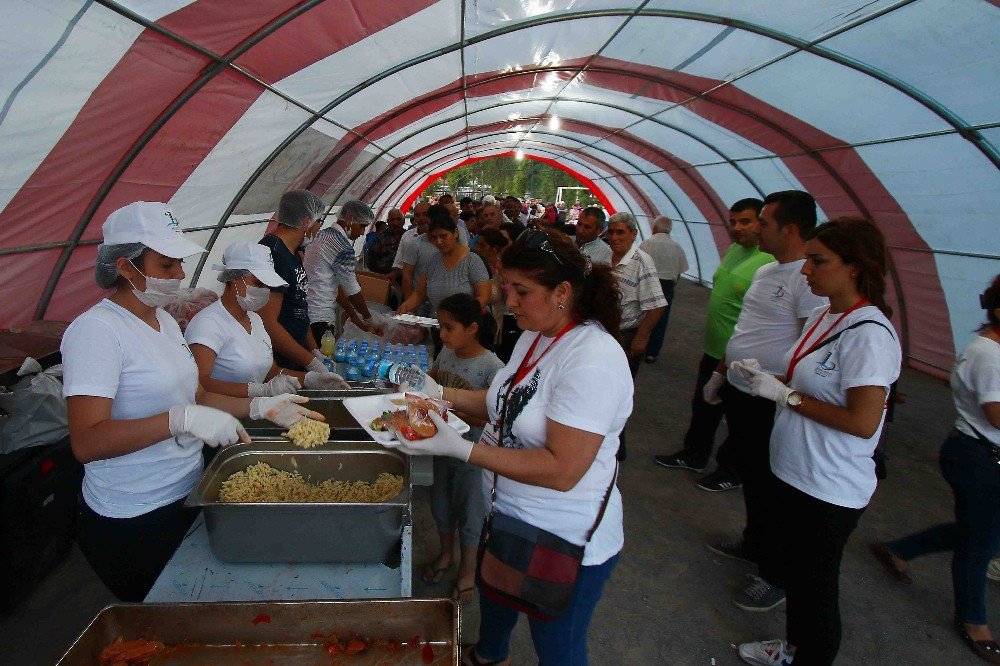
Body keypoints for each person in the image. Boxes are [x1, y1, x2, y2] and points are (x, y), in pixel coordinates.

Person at [388, 229, 630, 665]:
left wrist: (462, 450)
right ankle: (489, 654)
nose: (509, 302)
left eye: (521, 291)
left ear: (563, 292)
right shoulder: (534, 336)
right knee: (496, 604)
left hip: (560, 536)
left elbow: (563, 469)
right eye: (506, 288)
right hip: (506, 515)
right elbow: (503, 403)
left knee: (558, 646)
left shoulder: (592, 358)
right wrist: (438, 394)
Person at [64, 202, 321, 602]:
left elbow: (198, 393)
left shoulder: (163, 320)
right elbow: (87, 442)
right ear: (125, 267)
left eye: (179, 264)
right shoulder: (97, 331)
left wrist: (259, 407)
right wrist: (178, 419)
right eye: (167, 266)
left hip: (188, 488)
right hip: (136, 514)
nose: (180, 275)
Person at [735, 217, 901, 666]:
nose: (806, 270)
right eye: (807, 257)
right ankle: (792, 647)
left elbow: (864, 421)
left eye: (818, 260)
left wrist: (786, 395)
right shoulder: (827, 315)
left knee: (816, 586)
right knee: (798, 577)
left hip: (828, 486)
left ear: (854, 266)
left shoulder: (869, 334)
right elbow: (807, 378)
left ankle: (808, 656)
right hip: (796, 471)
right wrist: (766, 378)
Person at [706, 190, 827, 613]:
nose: (755, 228)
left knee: (776, 487)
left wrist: (782, 388)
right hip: (744, 391)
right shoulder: (767, 270)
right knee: (755, 478)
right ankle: (754, 545)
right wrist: (721, 371)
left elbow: (813, 347)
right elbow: (746, 328)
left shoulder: (808, 280)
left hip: (771, 399)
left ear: (790, 229)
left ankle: (777, 575)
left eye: (764, 222)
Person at [870, 274, 1000, 665]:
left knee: (977, 532)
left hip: (979, 454)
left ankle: (899, 549)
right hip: (978, 455)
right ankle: (974, 623)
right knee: (979, 543)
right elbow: (996, 414)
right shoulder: (989, 354)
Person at [654, 198, 772, 484]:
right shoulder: (733, 250)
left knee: (738, 418)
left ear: (762, 224)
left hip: (744, 358)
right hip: (714, 350)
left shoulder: (767, 261)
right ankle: (694, 455)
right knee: (704, 406)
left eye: (745, 221)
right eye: (732, 222)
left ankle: (732, 471)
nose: (736, 228)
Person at [185, 241, 349, 398]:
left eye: (267, 286)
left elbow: (270, 372)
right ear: (234, 278)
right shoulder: (208, 324)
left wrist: (309, 379)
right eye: (259, 283)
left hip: (259, 411)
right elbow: (200, 384)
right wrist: (256, 390)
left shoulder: (255, 320)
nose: (265, 291)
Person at [422, 294, 504, 603]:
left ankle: (468, 570)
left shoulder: (492, 368)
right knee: (441, 505)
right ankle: (446, 555)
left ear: (472, 328)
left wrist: (445, 409)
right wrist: (415, 383)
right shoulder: (447, 351)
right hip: (442, 449)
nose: (441, 335)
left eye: (448, 327)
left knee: (471, 515)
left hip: (474, 454)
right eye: (440, 327)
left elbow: (493, 416)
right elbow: (433, 378)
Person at [258, 190, 326, 372]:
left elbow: (299, 306)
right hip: (279, 362)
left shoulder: (293, 252)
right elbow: (268, 322)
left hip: (295, 354)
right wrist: (309, 361)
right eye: (319, 222)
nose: (318, 229)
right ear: (306, 221)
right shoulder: (273, 254)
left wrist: (313, 350)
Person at [303, 199, 378, 343]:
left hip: (306, 310)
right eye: (362, 226)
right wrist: (369, 319)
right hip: (320, 316)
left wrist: (354, 317)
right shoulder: (343, 248)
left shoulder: (321, 235)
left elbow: (334, 285)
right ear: (350, 218)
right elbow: (352, 291)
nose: (362, 233)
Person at [396, 206, 491, 317]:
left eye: (443, 236)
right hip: (438, 322)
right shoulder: (433, 262)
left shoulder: (472, 261)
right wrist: (406, 306)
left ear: (455, 233)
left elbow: (484, 296)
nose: (439, 241)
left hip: (467, 323)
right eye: (434, 237)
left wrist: (461, 314)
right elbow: (420, 293)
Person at [607, 212, 667, 377]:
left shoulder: (642, 261)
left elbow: (658, 305)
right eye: (611, 232)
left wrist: (641, 337)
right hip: (604, 332)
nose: (614, 237)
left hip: (625, 335)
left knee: (620, 383)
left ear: (633, 234)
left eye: (620, 232)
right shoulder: (607, 256)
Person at [638, 215, 689, 363]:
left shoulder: (647, 244)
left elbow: (638, 265)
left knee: (643, 315)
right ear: (670, 230)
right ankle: (652, 352)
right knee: (661, 319)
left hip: (648, 282)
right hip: (667, 285)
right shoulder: (677, 247)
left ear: (654, 228)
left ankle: (637, 345)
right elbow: (680, 271)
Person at [474, 228, 511, 348]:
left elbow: (510, 301)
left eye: (482, 245)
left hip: (494, 328)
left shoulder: (504, 271)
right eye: (476, 244)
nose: (477, 248)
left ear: (494, 249)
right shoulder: (472, 266)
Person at [365, 208, 405, 275]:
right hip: (384, 277)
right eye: (392, 220)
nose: (395, 223)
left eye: (398, 219)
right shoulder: (381, 237)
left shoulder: (408, 237)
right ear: (388, 222)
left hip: (404, 277)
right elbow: (371, 260)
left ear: (403, 221)